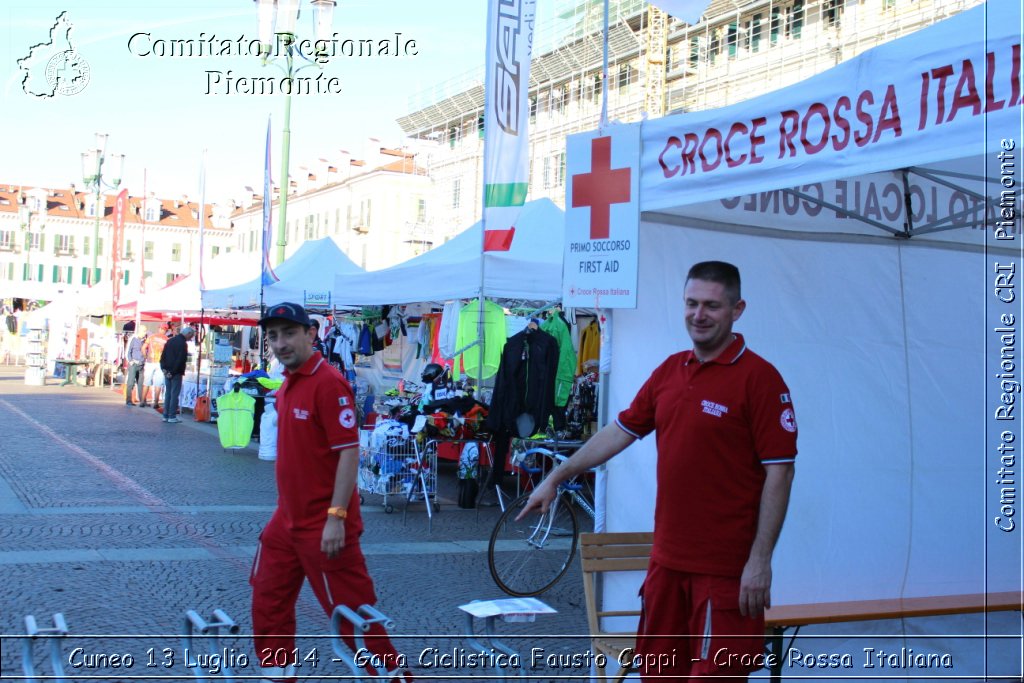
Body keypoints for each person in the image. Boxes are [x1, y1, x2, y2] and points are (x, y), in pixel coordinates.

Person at [519, 261, 798, 682]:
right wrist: (556, 476)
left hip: (725, 572)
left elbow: (781, 473)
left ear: (737, 309)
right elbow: (618, 432)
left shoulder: (759, 379)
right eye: (691, 303)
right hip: (666, 565)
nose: (698, 315)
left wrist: (761, 561)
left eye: (711, 305)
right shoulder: (671, 370)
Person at [251, 302, 410, 683]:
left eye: (289, 333)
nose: (280, 342)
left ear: (311, 334)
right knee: (267, 599)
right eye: (273, 336)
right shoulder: (288, 383)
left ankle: (392, 678)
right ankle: (278, 676)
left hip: (325, 525)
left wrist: (336, 517)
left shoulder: (328, 383)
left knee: (353, 618)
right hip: (286, 521)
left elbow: (349, 453)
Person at [160, 325, 194, 424]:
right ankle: (172, 415)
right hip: (175, 372)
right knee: (174, 394)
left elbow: (163, 356)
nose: (190, 338)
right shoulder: (182, 344)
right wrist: (173, 371)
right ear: (188, 334)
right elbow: (180, 360)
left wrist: (164, 369)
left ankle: (165, 415)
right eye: (191, 336)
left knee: (168, 393)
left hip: (167, 371)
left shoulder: (170, 341)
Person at [141, 326, 169, 409]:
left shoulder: (151, 337)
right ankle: (156, 402)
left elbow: (143, 348)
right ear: (166, 331)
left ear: (159, 329)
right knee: (158, 383)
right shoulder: (167, 339)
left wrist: (145, 356)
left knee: (146, 382)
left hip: (150, 361)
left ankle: (142, 401)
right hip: (160, 363)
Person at [124, 325, 147, 406]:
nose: (145, 333)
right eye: (144, 331)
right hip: (134, 364)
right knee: (130, 383)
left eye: (145, 331)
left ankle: (142, 400)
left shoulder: (145, 340)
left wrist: (144, 361)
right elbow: (128, 351)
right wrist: (130, 361)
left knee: (141, 383)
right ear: (139, 331)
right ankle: (129, 400)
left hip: (141, 364)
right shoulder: (133, 339)